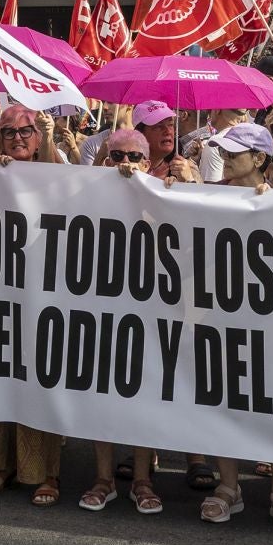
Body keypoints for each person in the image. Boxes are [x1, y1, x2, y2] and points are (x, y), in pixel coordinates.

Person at [191, 122, 273, 532]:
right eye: (223, 152)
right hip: (222, 314)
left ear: (259, 158)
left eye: (234, 153)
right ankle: (228, 485)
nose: (225, 159)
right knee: (223, 396)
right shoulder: (211, 195)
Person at [0, 104, 64, 506]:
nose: (17, 138)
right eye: (8, 132)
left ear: (38, 137)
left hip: (45, 291)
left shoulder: (56, 167)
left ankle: (46, 472)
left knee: (41, 377)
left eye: (26, 131)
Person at [87, 128, 165, 514]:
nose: (126, 164)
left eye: (134, 157)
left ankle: (142, 480)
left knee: (144, 394)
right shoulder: (89, 194)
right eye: (117, 156)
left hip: (148, 310)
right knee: (102, 393)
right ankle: (103, 479)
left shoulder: (163, 192)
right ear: (106, 161)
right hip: (103, 307)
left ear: (146, 163)